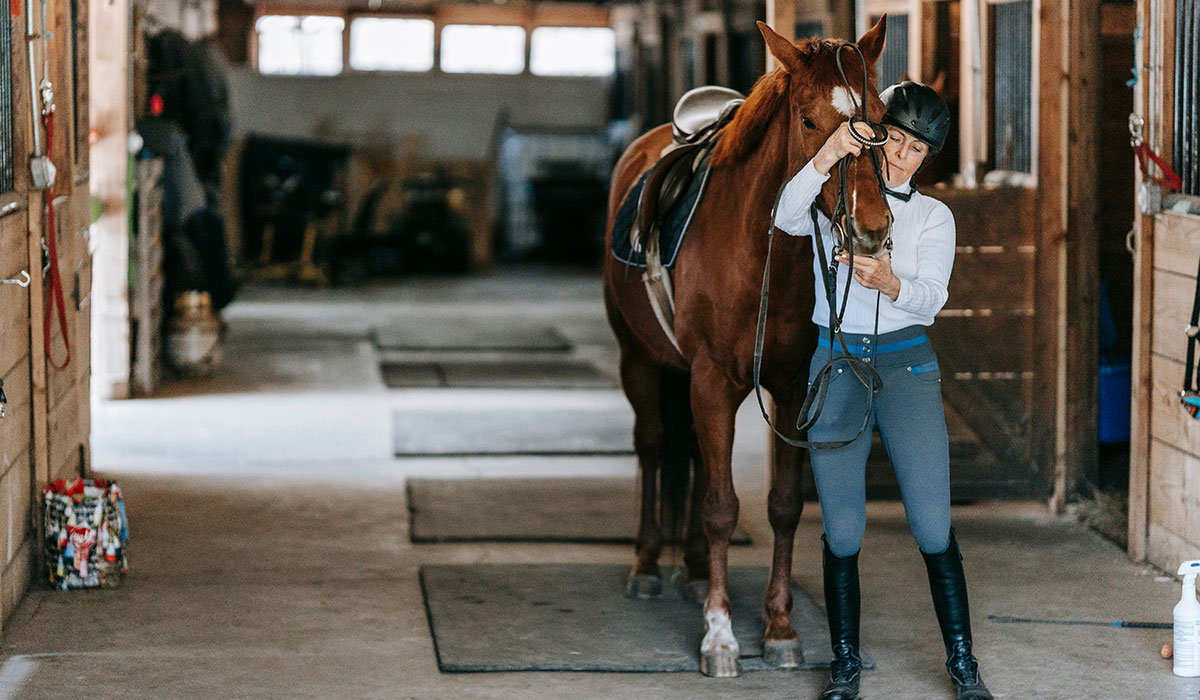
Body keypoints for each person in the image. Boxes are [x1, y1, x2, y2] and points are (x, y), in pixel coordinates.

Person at [772, 81, 994, 700]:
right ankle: (845, 665)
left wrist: (892, 283)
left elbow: (934, 296)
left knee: (931, 525)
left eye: (915, 149)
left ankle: (963, 662)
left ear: (927, 158)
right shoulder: (835, 192)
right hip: (837, 362)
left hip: (906, 369)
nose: (901, 155)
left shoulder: (933, 216)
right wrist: (827, 153)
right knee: (842, 529)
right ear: (876, 135)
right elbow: (783, 216)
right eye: (894, 139)